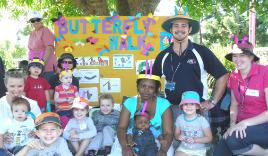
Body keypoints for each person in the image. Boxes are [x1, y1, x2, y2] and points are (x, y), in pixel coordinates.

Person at [152, 11, 228, 120]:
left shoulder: (201, 51)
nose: (180, 29)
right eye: (176, 26)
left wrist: (212, 102)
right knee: (171, 137)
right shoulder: (163, 55)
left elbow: (223, 75)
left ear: (190, 29)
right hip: (171, 110)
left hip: (198, 110)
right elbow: (153, 80)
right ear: (171, 29)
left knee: (201, 137)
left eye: (184, 26)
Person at [213, 36, 268, 156]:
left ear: (251, 57)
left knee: (233, 140)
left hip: (263, 125)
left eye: (242, 55)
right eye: (235, 56)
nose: (237, 59)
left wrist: (245, 123)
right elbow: (234, 104)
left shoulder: (265, 73)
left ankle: (264, 152)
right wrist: (232, 125)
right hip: (242, 125)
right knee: (219, 152)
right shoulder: (234, 76)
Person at [117, 71, 173, 156]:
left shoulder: (163, 104)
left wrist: (163, 151)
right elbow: (121, 128)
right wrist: (125, 147)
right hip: (130, 139)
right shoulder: (130, 103)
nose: (146, 90)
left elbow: (168, 133)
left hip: (158, 140)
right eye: (143, 86)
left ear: (156, 89)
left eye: (151, 87)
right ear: (138, 87)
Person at [0, 69, 41, 140]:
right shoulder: (1, 104)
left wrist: (35, 132)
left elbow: (40, 126)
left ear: (24, 85)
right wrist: (2, 136)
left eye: (20, 86)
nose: (16, 90)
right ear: (5, 84)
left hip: (29, 146)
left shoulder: (32, 104)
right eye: (12, 86)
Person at [174, 91, 212, 156]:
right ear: (182, 106)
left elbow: (209, 138)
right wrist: (178, 136)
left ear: (197, 106)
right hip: (183, 149)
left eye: (192, 104)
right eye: (185, 104)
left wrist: (195, 140)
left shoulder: (202, 120)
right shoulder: (179, 119)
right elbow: (176, 134)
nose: (188, 106)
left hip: (199, 151)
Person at [27, 10, 57, 81]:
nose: (36, 22)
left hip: (46, 68)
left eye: (38, 19)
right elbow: (30, 51)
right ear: (30, 23)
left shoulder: (45, 30)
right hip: (35, 68)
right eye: (33, 21)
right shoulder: (32, 33)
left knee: (47, 90)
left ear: (41, 20)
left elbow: (49, 48)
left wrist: (41, 64)